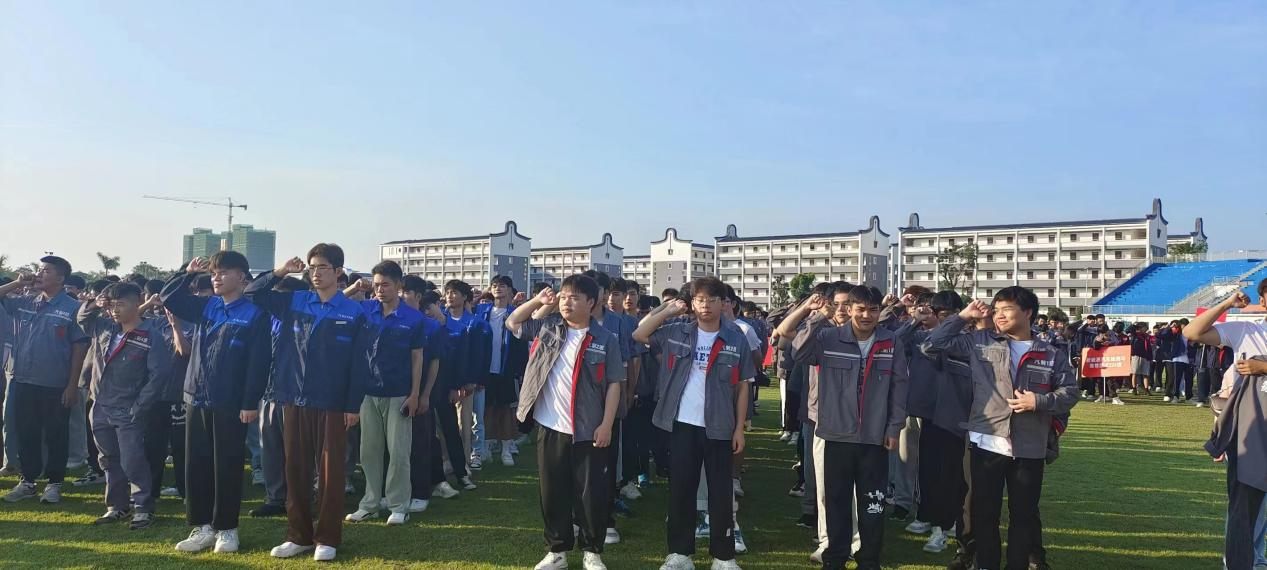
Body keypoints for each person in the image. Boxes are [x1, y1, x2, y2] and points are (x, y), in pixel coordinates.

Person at [926, 287, 1078, 570]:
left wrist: (1039, 401)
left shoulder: (1051, 353)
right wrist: (963, 316)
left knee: (1023, 516)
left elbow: (1070, 393)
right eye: (996, 310)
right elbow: (932, 344)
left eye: (1006, 309)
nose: (999, 316)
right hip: (987, 442)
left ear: (1028, 312)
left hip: (1029, 446)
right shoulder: (980, 342)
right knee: (984, 514)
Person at [247, 244, 371, 562]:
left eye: (323, 267)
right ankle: (298, 535)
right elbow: (253, 293)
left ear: (338, 272)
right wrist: (280, 271)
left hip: (332, 401)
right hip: (293, 397)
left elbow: (359, 364)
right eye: (312, 267)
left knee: (330, 473)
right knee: (296, 470)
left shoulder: (354, 312)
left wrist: (352, 405)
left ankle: (327, 537)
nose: (315, 273)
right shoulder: (295, 301)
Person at [782, 286, 908, 570]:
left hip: (875, 438)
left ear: (880, 311)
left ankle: (869, 561)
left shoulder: (891, 342)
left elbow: (899, 388)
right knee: (836, 503)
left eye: (873, 310)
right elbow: (797, 351)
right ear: (849, 310)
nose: (866, 315)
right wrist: (816, 316)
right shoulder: (828, 338)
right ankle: (834, 559)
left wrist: (893, 427)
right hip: (836, 436)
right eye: (860, 309)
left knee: (872, 504)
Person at [634, 276, 756, 570]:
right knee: (681, 489)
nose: (706, 306)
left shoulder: (735, 338)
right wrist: (667, 310)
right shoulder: (677, 330)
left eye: (712, 300)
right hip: (682, 424)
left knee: (721, 492)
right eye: (700, 300)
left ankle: (723, 556)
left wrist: (739, 428)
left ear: (723, 303)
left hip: (720, 425)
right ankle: (680, 553)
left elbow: (743, 386)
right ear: (692, 303)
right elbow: (640, 334)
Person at [507, 276, 625, 570]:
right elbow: (513, 322)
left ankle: (592, 551)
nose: (566, 302)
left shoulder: (605, 339)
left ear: (591, 303)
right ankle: (557, 550)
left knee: (590, 494)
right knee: (552, 491)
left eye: (574, 297)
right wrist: (539, 301)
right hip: (550, 426)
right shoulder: (548, 327)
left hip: (589, 429)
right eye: (564, 296)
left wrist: (607, 424)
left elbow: (614, 383)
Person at [161, 252, 272, 552]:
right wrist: (186, 273)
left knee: (227, 465)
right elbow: (169, 297)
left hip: (230, 401)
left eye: (224, 272)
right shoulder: (207, 305)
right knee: (196, 464)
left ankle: (227, 528)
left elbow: (258, 363)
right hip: (196, 396)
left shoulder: (255, 313)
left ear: (242, 277)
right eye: (213, 273)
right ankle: (202, 527)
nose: (216, 278)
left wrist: (250, 401)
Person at [1182, 287, 1267, 569]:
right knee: (1245, 506)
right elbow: (1192, 332)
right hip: (1250, 432)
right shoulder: (1246, 330)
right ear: (1263, 300)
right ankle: (1244, 563)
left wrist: (1262, 367)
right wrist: (1227, 303)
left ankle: (1255, 559)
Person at [77, 282, 173, 530]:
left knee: (133, 460)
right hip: (100, 406)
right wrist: (95, 303)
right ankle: (116, 506)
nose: (115, 310)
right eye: (112, 305)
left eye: (121, 304)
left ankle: (143, 507)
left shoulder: (150, 335)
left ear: (138, 301)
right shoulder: (105, 327)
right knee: (108, 459)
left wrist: (139, 405)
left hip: (128, 409)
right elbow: (82, 318)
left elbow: (159, 374)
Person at [341, 261, 427, 526]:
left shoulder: (414, 318)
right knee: (369, 451)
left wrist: (415, 394)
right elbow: (335, 303)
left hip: (399, 393)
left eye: (385, 285)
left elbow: (417, 358)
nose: (379, 290)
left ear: (399, 285)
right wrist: (354, 288)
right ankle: (370, 503)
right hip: (367, 392)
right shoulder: (366, 309)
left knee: (398, 453)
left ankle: (399, 505)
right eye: (376, 285)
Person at [0, 256, 90, 505]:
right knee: (26, 432)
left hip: (55, 384)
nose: (39, 274)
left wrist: (72, 385)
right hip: (23, 380)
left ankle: (54, 483)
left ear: (61, 278)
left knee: (55, 435)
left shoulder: (73, 308)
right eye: (39, 269)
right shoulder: (26, 301)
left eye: (46, 271)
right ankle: (28, 481)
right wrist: (17, 283)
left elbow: (79, 349)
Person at [436, 279, 491, 491]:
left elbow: (479, 355)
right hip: (442, 382)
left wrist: (472, 381)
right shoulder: (441, 319)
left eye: (455, 293)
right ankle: (446, 460)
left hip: (465, 383)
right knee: (442, 427)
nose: (450, 296)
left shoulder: (475, 323)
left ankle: (465, 463)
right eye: (448, 292)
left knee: (464, 425)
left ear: (465, 297)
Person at [473, 275, 527, 468]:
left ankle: (506, 449)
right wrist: (480, 295)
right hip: (485, 369)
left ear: (510, 290)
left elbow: (521, 343)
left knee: (506, 410)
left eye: (502, 286)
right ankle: (486, 447)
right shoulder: (482, 310)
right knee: (486, 409)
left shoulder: (516, 312)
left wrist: (519, 370)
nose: (497, 289)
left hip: (507, 368)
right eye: (494, 285)